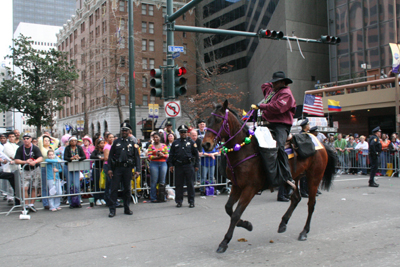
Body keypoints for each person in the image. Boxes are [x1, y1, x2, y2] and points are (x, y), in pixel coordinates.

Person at [251, 71, 296, 202]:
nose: (273, 84)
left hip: (281, 125)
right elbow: (264, 86)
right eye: (273, 82)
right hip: (268, 124)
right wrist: (272, 84)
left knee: (279, 147)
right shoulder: (273, 91)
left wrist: (261, 106)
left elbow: (277, 108)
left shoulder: (286, 94)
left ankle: (287, 177)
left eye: (276, 82)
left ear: (283, 82)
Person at [107, 123, 140, 218]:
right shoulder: (116, 142)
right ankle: (112, 210)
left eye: (126, 130)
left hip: (128, 169)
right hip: (117, 168)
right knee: (114, 189)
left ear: (129, 131)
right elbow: (110, 157)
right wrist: (109, 169)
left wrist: (138, 170)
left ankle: (127, 208)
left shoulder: (132, 143)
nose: (124, 132)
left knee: (127, 189)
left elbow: (136, 157)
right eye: (123, 130)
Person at [167, 125, 199, 208]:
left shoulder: (191, 142)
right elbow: (171, 155)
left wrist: (196, 165)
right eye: (182, 132)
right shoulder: (175, 142)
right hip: (179, 165)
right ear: (179, 133)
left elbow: (196, 155)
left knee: (190, 184)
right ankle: (179, 201)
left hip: (189, 165)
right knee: (179, 184)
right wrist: (171, 165)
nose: (183, 133)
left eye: (185, 132)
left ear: (187, 133)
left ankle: (191, 201)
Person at [14, 134, 43, 213]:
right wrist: (25, 162)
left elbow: (40, 157)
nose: (25, 140)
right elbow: (16, 160)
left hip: (35, 169)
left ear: (30, 139)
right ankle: (26, 205)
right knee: (25, 188)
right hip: (25, 170)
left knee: (34, 187)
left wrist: (35, 162)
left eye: (27, 138)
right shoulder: (20, 149)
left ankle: (31, 205)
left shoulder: (35, 148)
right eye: (24, 139)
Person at [63, 136, 86, 208]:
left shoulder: (79, 148)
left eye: (75, 141)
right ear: (69, 142)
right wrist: (71, 158)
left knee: (76, 184)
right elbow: (65, 157)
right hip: (68, 166)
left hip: (76, 167)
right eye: (72, 141)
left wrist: (79, 158)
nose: (73, 142)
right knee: (70, 184)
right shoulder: (67, 148)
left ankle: (78, 201)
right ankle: (70, 202)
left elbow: (84, 156)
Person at [147, 132, 169, 203]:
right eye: (154, 137)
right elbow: (150, 156)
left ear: (160, 138)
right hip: (154, 164)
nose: (155, 139)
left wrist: (162, 155)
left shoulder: (164, 145)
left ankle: (162, 196)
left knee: (162, 181)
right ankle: (153, 197)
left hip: (163, 163)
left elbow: (167, 155)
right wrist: (157, 156)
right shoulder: (150, 146)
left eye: (157, 137)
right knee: (154, 181)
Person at [39, 135, 53, 209]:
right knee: (45, 186)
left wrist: (49, 136)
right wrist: (43, 136)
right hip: (44, 167)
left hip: (51, 168)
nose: (47, 142)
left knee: (51, 185)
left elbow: (56, 141)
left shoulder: (51, 148)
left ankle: (52, 201)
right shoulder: (42, 148)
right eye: (45, 140)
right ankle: (45, 202)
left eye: (48, 140)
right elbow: (39, 141)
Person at [90, 139, 106, 206]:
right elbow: (92, 156)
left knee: (102, 184)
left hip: (103, 169)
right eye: (101, 143)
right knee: (96, 184)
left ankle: (102, 197)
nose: (102, 144)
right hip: (96, 169)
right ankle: (96, 199)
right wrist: (99, 157)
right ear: (98, 144)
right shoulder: (96, 151)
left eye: (103, 143)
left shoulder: (105, 150)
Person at [103, 133, 114, 206]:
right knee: (110, 183)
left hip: (112, 165)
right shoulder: (107, 146)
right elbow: (106, 157)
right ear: (107, 138)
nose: (111, 139)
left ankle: (109, 199)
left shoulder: (113, 146)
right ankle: (109, 200)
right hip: (108, 165)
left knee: (110, 183)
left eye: (112, 137)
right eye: (110, 137)